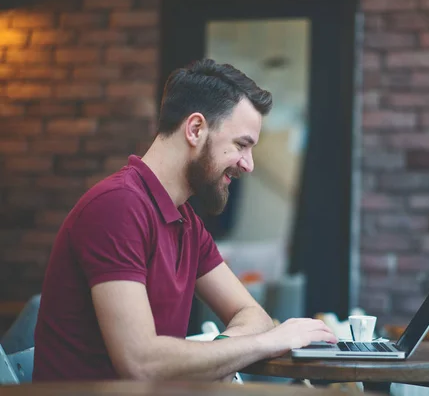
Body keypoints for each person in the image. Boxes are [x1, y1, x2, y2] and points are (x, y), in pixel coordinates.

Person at [32, 59, 337, 382]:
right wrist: (268, 343)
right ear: (195, 129)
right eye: (241, 145)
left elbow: (252, 315)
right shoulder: (117, 206)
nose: (248, 165)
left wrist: (217, 354)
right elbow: (141, 363)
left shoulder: (186, 221)